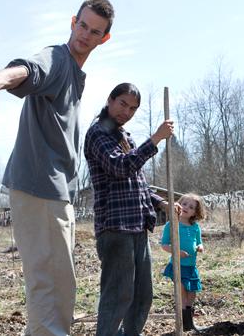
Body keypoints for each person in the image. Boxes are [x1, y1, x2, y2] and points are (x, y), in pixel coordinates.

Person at [0, 0, 114, 335]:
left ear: (104, 39)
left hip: (53, 191)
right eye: (82, 25)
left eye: (94, 31)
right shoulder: (57, 59)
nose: (85, 34)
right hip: (41, 187)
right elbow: (27, 69)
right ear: (73, 22)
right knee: (50, 285)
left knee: (58, 285)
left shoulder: (74, 74)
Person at [84, 83, 175, 336]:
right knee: (118, 295)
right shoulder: (97, 134)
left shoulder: (125, 137)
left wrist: (160, 203)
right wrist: (156, 139)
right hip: (115, 227)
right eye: (123, 103)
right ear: (110, 100)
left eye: (133, 108)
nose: (127, 111)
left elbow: (137, 183)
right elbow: (120, 167)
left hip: (137, 226)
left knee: (143, 295)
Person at [160, 193, 206, 331]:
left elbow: (199, 242)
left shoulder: (195, 227)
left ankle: (189, 320)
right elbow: (164, 245)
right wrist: (177, 252)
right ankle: (185, 324)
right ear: (178, 205)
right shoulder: (172, 225)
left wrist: (200, 247)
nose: (186, 207)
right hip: (178, 266)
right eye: (184, 204)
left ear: (195, 212)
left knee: (192, 293)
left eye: (191, 207)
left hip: (191, 266)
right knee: (182, 294)